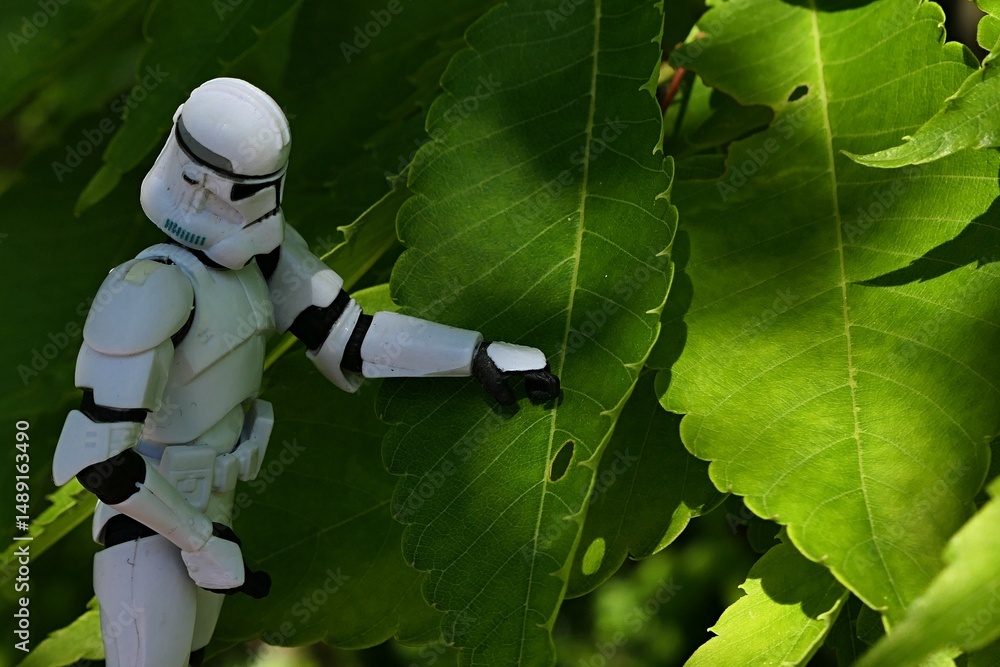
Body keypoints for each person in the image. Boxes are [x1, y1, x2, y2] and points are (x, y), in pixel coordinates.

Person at [52, 78, 560, 667]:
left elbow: (352, 339)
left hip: (211, 508)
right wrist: (197, 539)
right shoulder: (150, 288)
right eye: (214, 185)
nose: (206, 204)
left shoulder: (261, 259)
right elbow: (99, 458)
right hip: (154, 522)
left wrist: (473, 354)